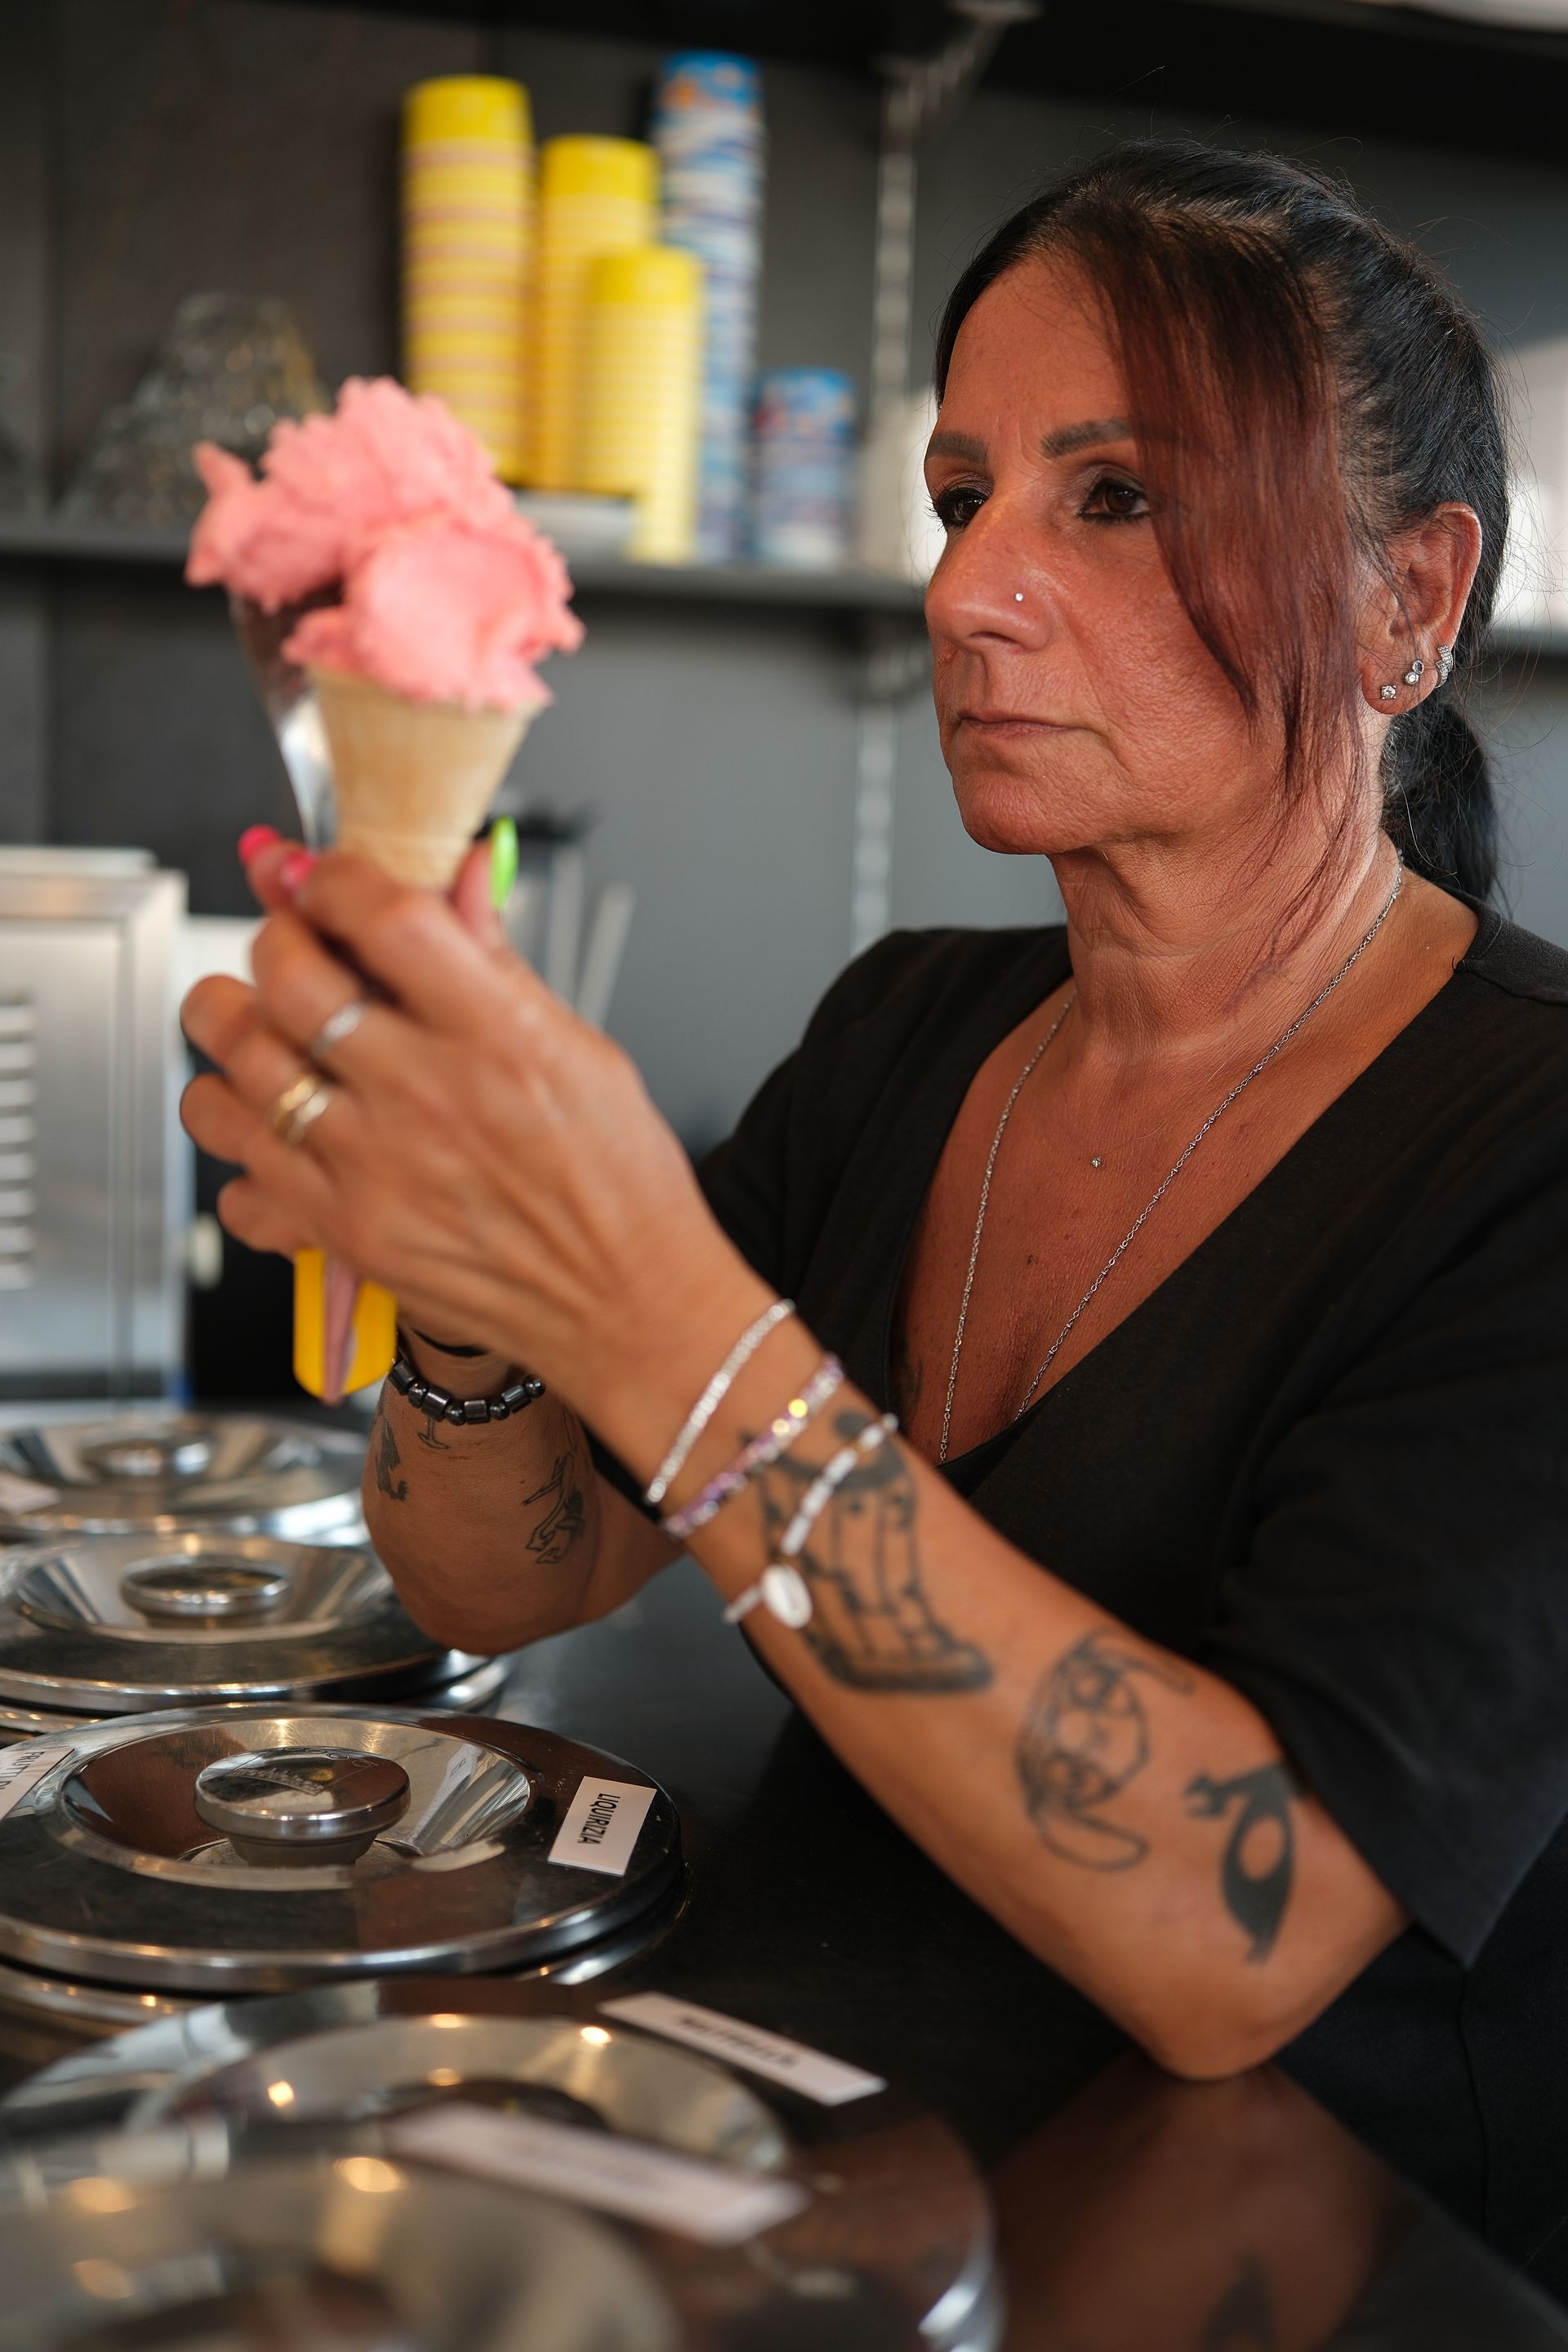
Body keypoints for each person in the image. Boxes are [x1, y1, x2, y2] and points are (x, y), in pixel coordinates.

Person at [181, 141, 1568, 2258]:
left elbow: (1234, 1937)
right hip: (851, 2162)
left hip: (1300, 2258)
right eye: (958, 499)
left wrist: (642, 1294)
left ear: (1408, 599)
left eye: (1112, 496)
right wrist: (468, 1285)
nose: (964, 591)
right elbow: (506, 1575)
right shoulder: (910, 1034)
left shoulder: (1524, 1144)